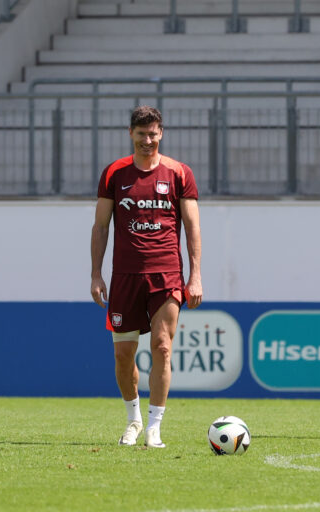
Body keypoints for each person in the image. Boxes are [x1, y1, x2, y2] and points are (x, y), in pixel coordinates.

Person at [90, 105, 203, 448]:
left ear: (161, 133)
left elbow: (192, 225)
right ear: (130, 134)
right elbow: (100, 226)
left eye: (153, 134)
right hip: (125, 276)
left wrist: (195, 274)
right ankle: (133, 419)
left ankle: (155, 426)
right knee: (123, 356)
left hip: (167, 273)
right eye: (141, 134)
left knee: (162, 347)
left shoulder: (179, 173)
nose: (147, 140)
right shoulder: (114, 174)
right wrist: (96, 274)